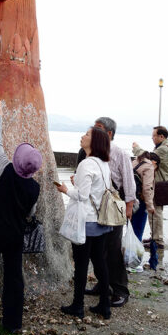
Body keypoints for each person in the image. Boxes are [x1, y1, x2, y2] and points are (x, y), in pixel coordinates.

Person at [0, 102, 41, 335]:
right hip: (15, 235)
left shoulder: (3, 167)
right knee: (14, 279)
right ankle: (13, 323)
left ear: (17, 158)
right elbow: (31, 214)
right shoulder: (34, 187)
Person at [56, 126, 112, 320]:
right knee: (100, 263)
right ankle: (105, 305)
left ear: (94, 141)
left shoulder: (86, 164)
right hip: (101, 222)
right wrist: (76, 184)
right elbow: (96, 191)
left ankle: (77, 305)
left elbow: (81, 195)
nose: (82, 136)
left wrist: (65, 189)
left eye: (87, 134)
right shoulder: (103, 164)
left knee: (80, 265)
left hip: (86, 222)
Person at [81, 117, 136, 307]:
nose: (94, 132)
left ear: (109, 134)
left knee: (112, 248)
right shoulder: (90, 153)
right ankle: (103, 284)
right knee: (98, 248)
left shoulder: (119, 153)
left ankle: (120, 289)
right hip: (95, 205)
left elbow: (129, 182)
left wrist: (129, 206)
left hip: (113, 203)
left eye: (99, 129)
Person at [133, 126, 168, 249]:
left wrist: (136, 149)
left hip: (160, 184)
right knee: (153, 212)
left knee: (156, 212)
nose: (152, 138)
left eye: (154, 136)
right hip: (159, 183)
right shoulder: (161, 147)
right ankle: (155, 237)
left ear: (162, 136)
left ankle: (158, 240)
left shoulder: (163, 149)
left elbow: (147, 158)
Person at [131, 151, 160, 243]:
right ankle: (135, 254)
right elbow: (147, 188)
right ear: (154, 162)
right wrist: (150, 206)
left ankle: (128, 251)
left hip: (129, 200)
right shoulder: (149, 166)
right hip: (140, 202)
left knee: (130, 229)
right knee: (138, 231)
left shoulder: (135, 162)